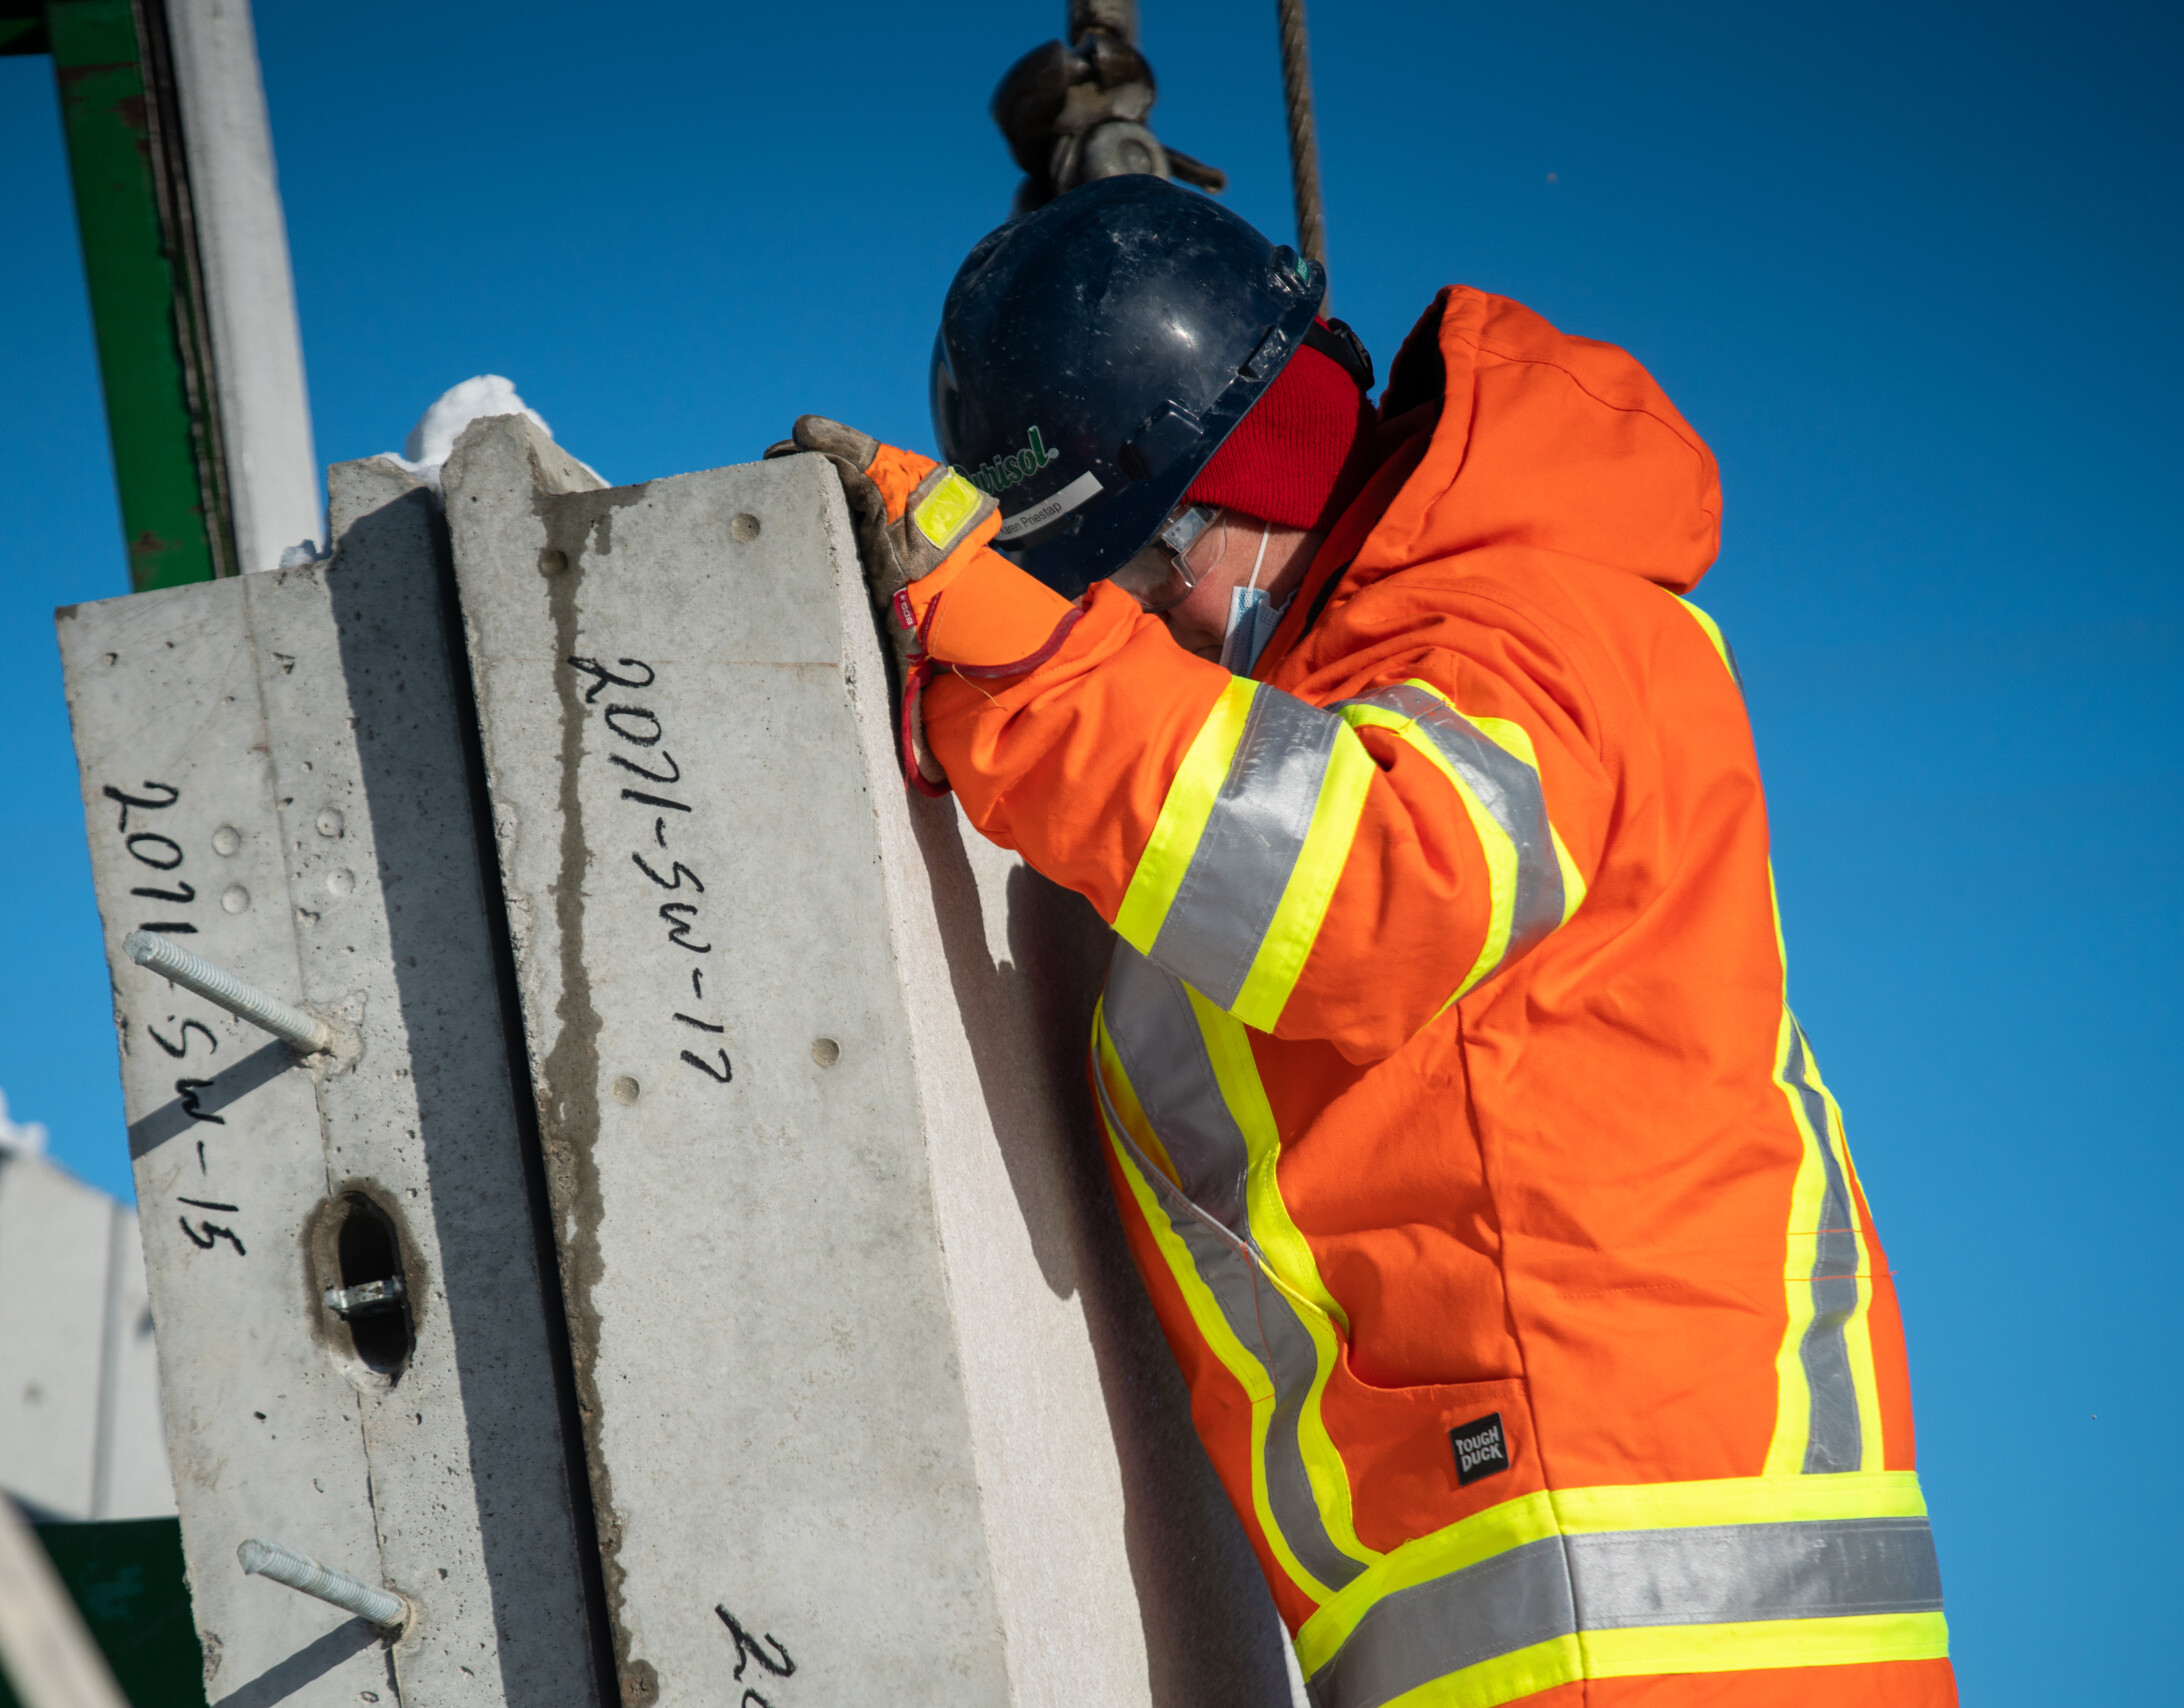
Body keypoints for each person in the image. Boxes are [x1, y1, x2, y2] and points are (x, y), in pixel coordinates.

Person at [777, 175, 1956, 1706]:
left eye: (1129, 586)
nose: (1141, 637)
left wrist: (1004, 655)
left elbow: (1369, 897)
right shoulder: (1371, 669)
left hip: (1641, 1619)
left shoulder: (1518, 619)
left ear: (1228, 499)